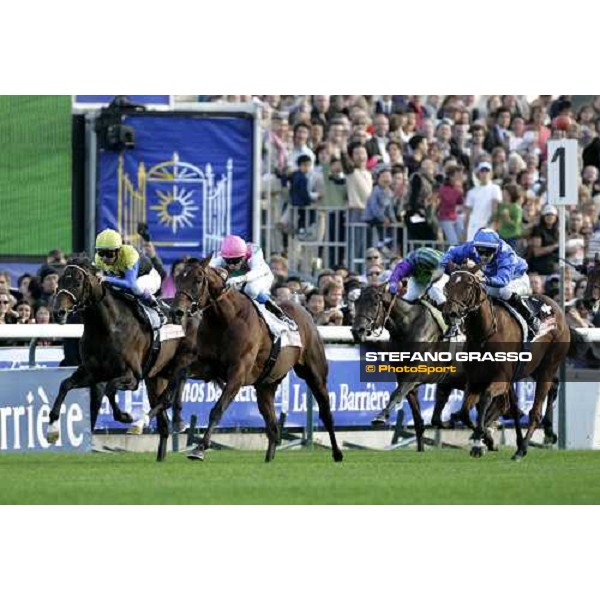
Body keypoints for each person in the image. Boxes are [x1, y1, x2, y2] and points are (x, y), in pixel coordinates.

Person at [441, 228, 539, 338]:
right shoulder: (471, 247)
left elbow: (503, 280)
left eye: (488, 252)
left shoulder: (506, 254)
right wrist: (447, 266)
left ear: (496, 249)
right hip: (490, 277)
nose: (483, 255)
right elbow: (451, 252)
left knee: (503, 291)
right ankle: (456, 324)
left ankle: (530, 318)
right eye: (480, 251)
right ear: (475, 246)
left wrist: (485, 280)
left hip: (516, 278)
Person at [210, 234, 294, 326]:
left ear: (243, 256)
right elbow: (208, 268)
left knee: (251, 289)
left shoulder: (254, 251)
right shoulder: (221, 255)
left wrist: (240, 279)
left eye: (235, 261)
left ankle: (277, 312)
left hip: (261, 276)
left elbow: (256, 271)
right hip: (239, 280)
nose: (231, 265)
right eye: (228, 261)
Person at [94, 228, 163, 313]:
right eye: (101, 253)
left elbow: (130, 283)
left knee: (136, 287)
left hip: (148, 277)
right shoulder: (98, 258)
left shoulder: (129, 254)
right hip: (125, 279)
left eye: (109, 254)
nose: (104, 259)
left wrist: (106, 278)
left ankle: (155, 306)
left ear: (118, 251)